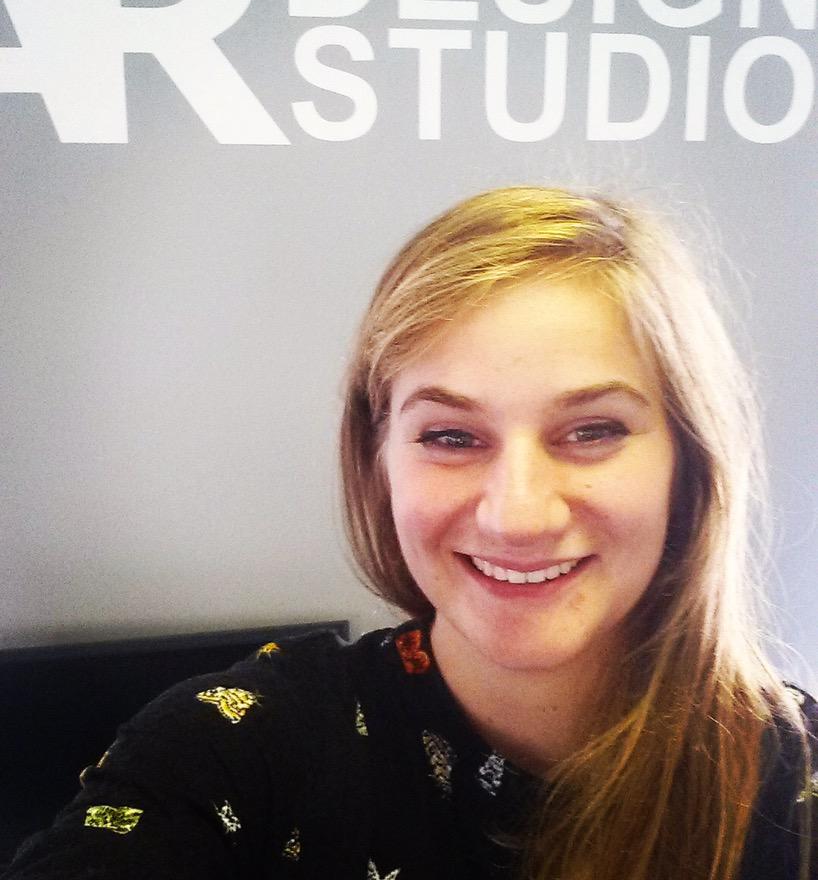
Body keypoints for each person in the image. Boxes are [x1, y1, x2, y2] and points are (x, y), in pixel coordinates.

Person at [3, 186, 816, 880]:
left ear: (690, 460)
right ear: (379, 459)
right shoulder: (234, 746)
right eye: (451, 436)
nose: (517, 515)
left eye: (593, 430)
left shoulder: (796, 782)